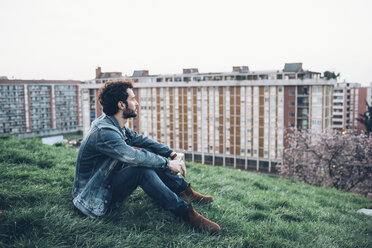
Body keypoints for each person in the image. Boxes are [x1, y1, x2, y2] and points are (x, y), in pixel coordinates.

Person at [72, 79, 220, 233]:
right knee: (142, 168)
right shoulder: (105, 132)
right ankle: (185, 213)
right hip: (93, 198)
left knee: (149, 158)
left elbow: (140, 140)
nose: (136, 103)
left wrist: (171, 153)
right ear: (121, 105)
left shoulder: (112, 123)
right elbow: (134, 157)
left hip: (106, 181)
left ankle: (186, 192)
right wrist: (167, 163)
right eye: (132, 99)